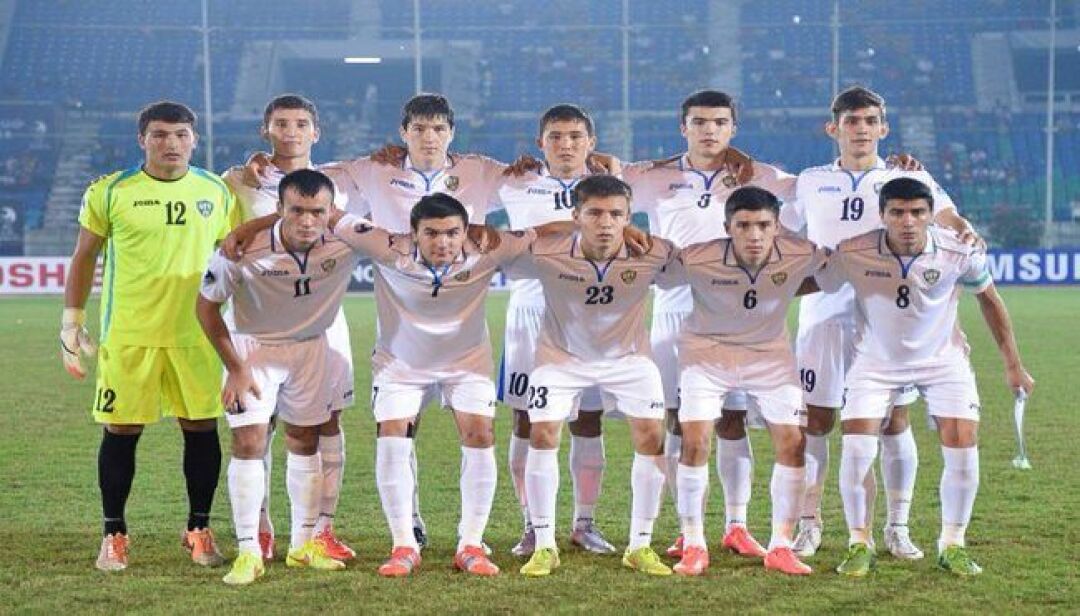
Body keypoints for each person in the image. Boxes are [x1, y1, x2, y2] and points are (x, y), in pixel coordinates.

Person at [780, 86, 981, 559]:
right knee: (816, 421)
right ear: (833, 128)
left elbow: (948, 217)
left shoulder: (906, 176)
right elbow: (782, 231)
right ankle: (809, 523)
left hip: (890, 322)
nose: (861, 129)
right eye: (852, 121)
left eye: (870, 120)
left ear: (884, 128)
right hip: (824, 315)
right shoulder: (810, 181)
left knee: (893, 422)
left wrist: (965, 229)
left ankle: (897, 526)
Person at [812, 177, 1033, 577]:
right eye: (897, 212)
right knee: (858, 446)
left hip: (942, 360)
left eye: (917, 212)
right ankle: (859, 543)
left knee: (962, 439)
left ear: (931, 215)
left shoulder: (958, 250)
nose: (908, 221)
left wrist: (1013, 364)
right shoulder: (853, 251)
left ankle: (953, 544)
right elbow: (817, 281)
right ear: (882, 215)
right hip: (874, 362)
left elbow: (990, 301)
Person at [62, 100, 237, 571]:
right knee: (121, 430)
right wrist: (71, 321)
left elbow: (230, 257)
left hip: (196, 334)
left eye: (181, 135)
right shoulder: (111, 191)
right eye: (159, 134)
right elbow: (84, 256)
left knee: (201, 427)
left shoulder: (215, 191)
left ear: (194, 140)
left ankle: (198, 528)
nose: (171, 143)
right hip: (130, 334)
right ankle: (113, 533)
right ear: (142, 140)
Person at [622, 90, 794, 558]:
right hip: (674, 309)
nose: (709, 130)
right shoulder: (653, 176)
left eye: (719, 122)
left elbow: (819, 191)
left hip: (737, 315)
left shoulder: (756, 176)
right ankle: (687, 529)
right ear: (684, 128)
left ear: (733, 128)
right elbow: (591, 186)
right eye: (699, 122)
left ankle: (736, 524)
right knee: (680, 422)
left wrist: (903, 171)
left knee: (733, 420)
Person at [511, 175, 678, 578]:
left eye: (617, 215)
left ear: (630, 217)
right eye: (595, 213)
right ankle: (545, 545)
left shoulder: (654, 251)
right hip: (561, 357)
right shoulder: (547, 250)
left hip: (628, 359)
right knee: (542, 433)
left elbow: (709, 268)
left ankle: (640, 545)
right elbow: (496, 245)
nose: (606, 223)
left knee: (651, 438)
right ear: (576, 215)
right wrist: (553, 228)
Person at [197, 169, 356, 585]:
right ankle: (249, 551)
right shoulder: (241, 250)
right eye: (297, 211)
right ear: (279, 209)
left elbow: (401, 237)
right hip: (253, 350)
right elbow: (206, 308)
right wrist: (235, 367)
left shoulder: (345, 241)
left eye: (317, 212)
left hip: (311, 349)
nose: (307, 221)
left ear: (331, 211)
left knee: (304, 440)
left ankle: (302, 546)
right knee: (249, 442)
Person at [657, 186, 826, 576]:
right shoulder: (697, 257)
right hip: (706, 353)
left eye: (764, 225)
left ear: (778, 227)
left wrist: (782, 285)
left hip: (769, 355)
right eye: (744, 225)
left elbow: (835, 272)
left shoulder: (801, 252)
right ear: (727, 227)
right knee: (695, 439)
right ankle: (694, 543)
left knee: (793, 442)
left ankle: (780, 547)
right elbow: (651, 270)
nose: (754, 235)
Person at [221, 93, 355, 562]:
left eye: (301, 123)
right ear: (266, 129)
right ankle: (260, 528)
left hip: (322, 319)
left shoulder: (340, 180)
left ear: (316, 132)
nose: (291, 132)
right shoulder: (239, 179)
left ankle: (320, 529)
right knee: (258, 425)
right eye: (281, 123)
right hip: (259, 315)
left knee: (324, 423)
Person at [488, 103, 616, 556]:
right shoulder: (514, 182)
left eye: (576, 136)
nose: (566, 145)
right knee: (527, 419)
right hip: (531, 312)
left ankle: (584, 522)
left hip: (591, 314)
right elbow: (453, 181)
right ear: (539, 143)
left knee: (588, 419)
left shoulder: (612, 183)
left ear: (591, 142)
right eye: (556, 137)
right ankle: (531, 523)